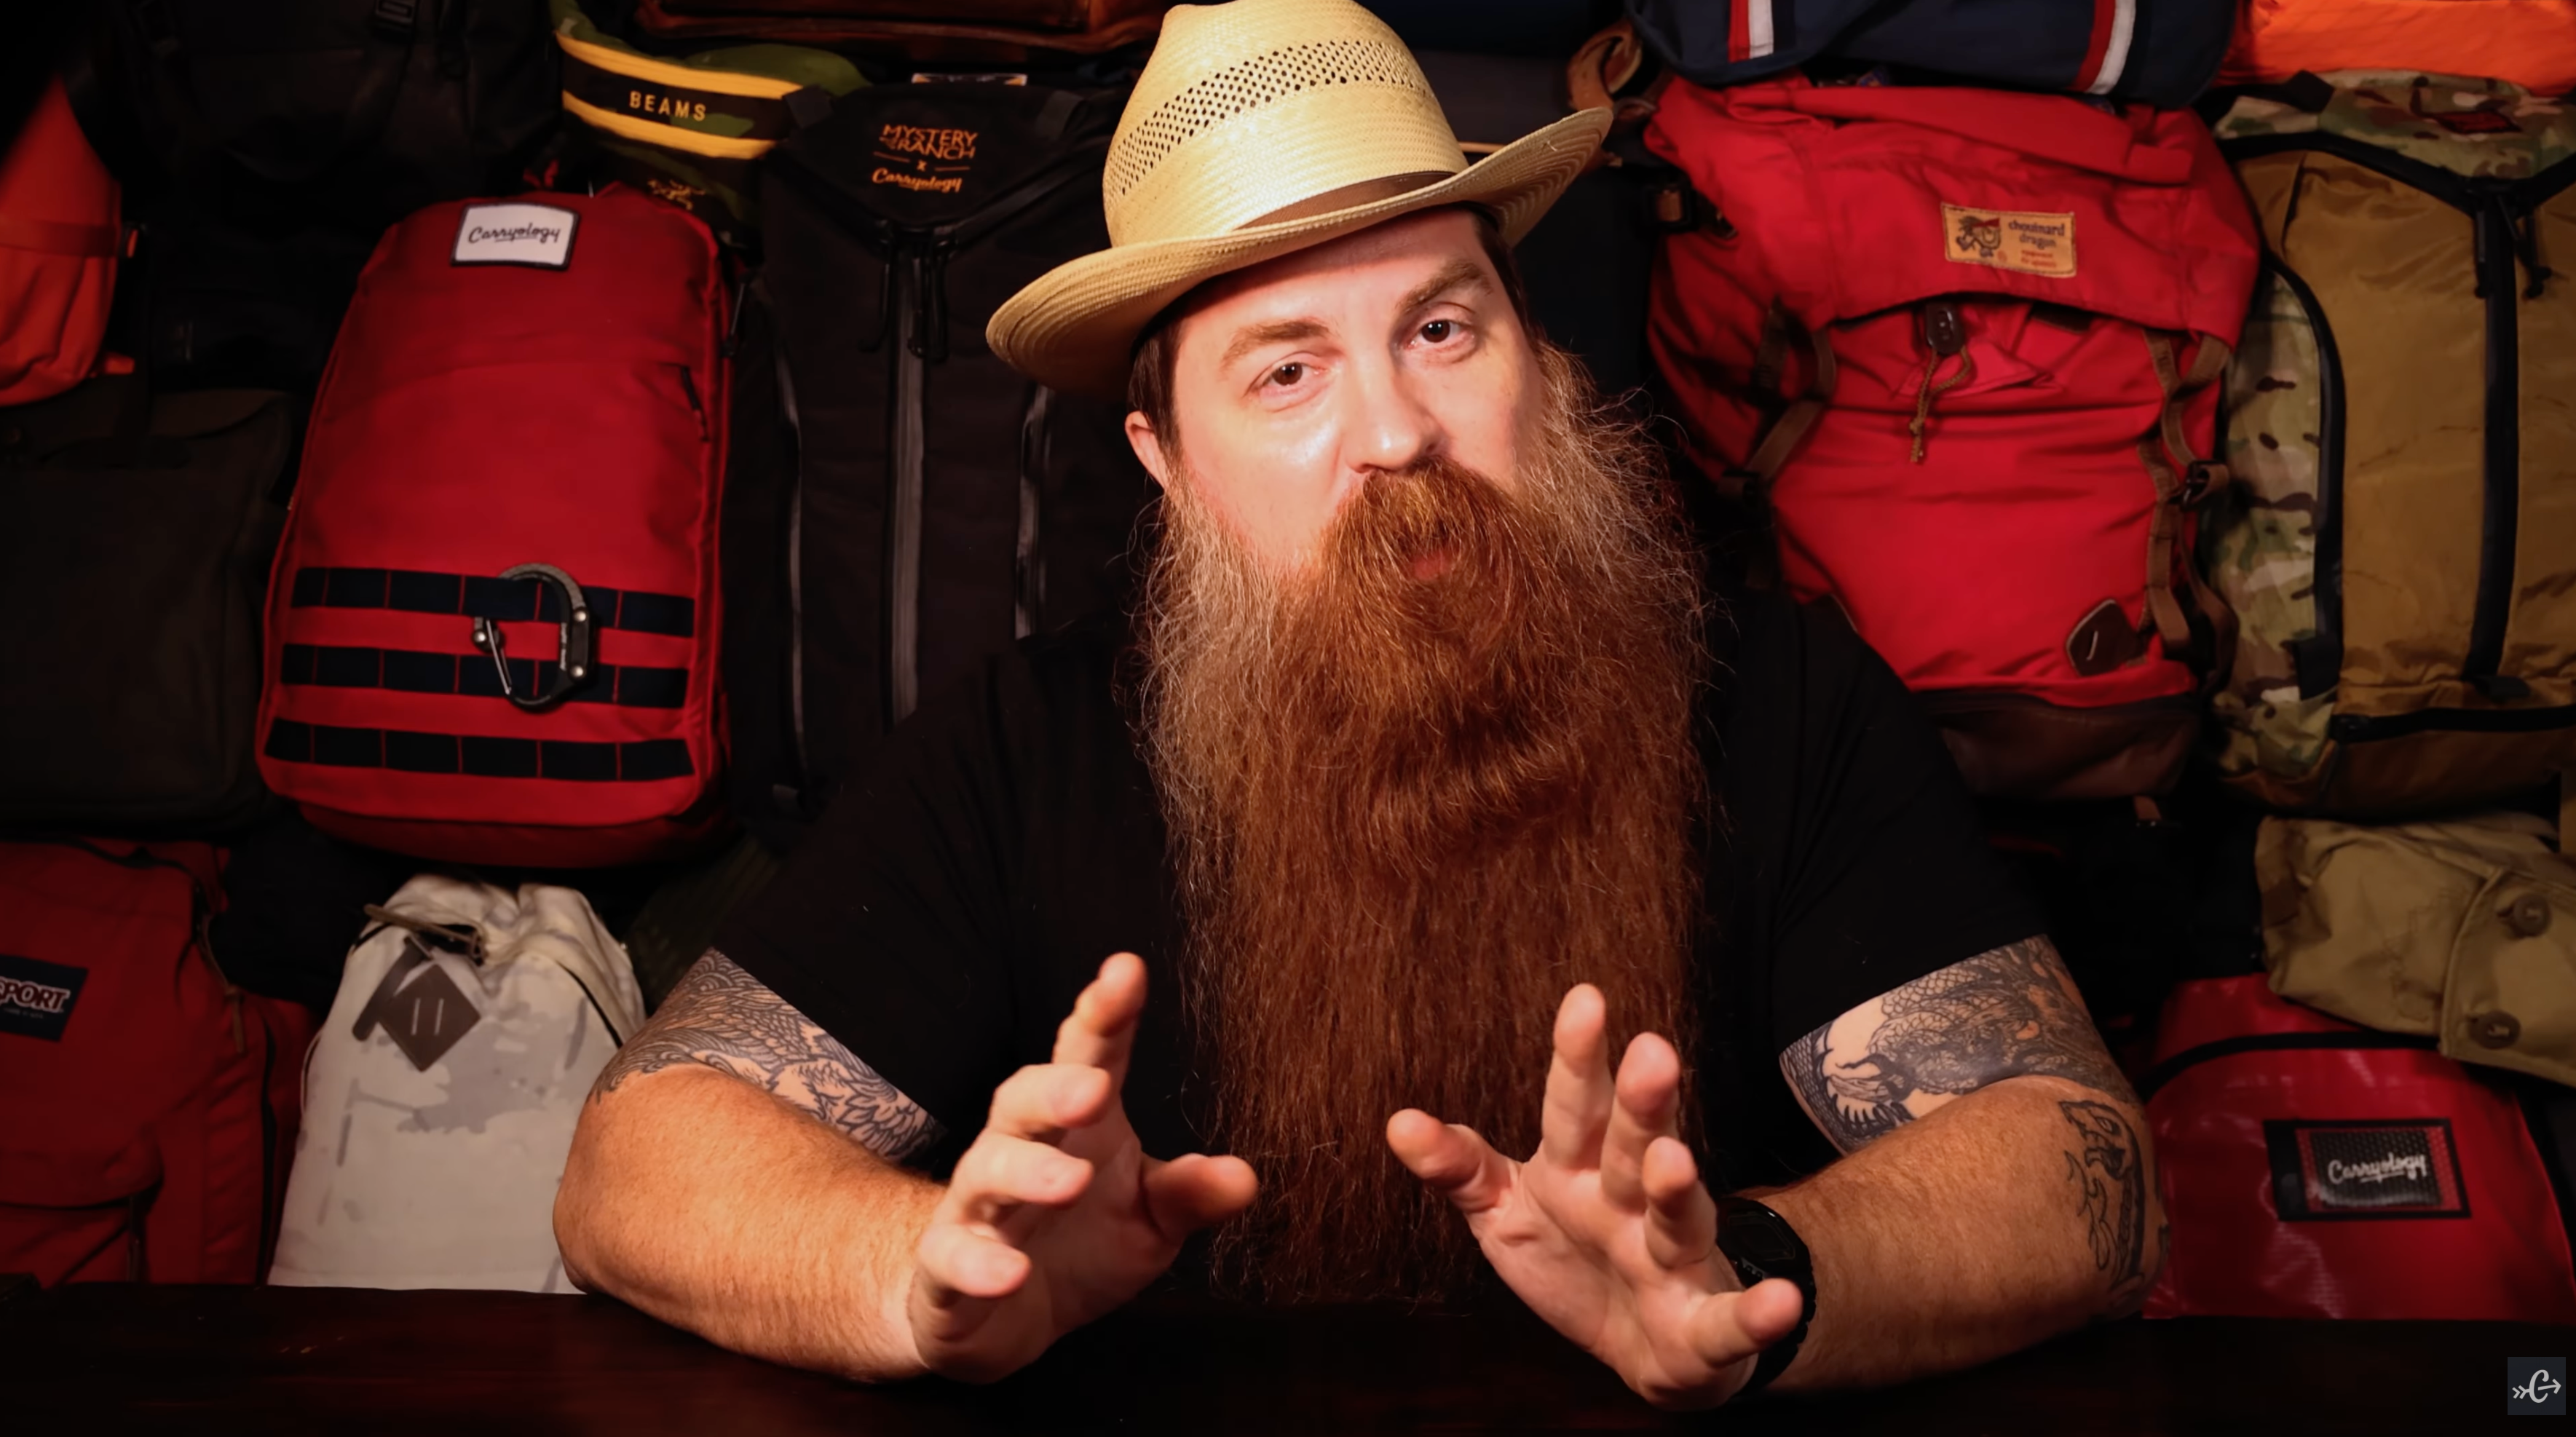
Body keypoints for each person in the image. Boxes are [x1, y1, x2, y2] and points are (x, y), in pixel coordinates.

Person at [554, 0, 2162, 1409]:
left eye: (1441, 329)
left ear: (1538, 359)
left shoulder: (1780, 695)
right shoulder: (1018, 748)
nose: (1396, 433)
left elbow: (2077, 1165)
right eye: (1284, 371)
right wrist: (917, 1276)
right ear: (1165, 464)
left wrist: (1749, 1274)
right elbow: (638, 1157)